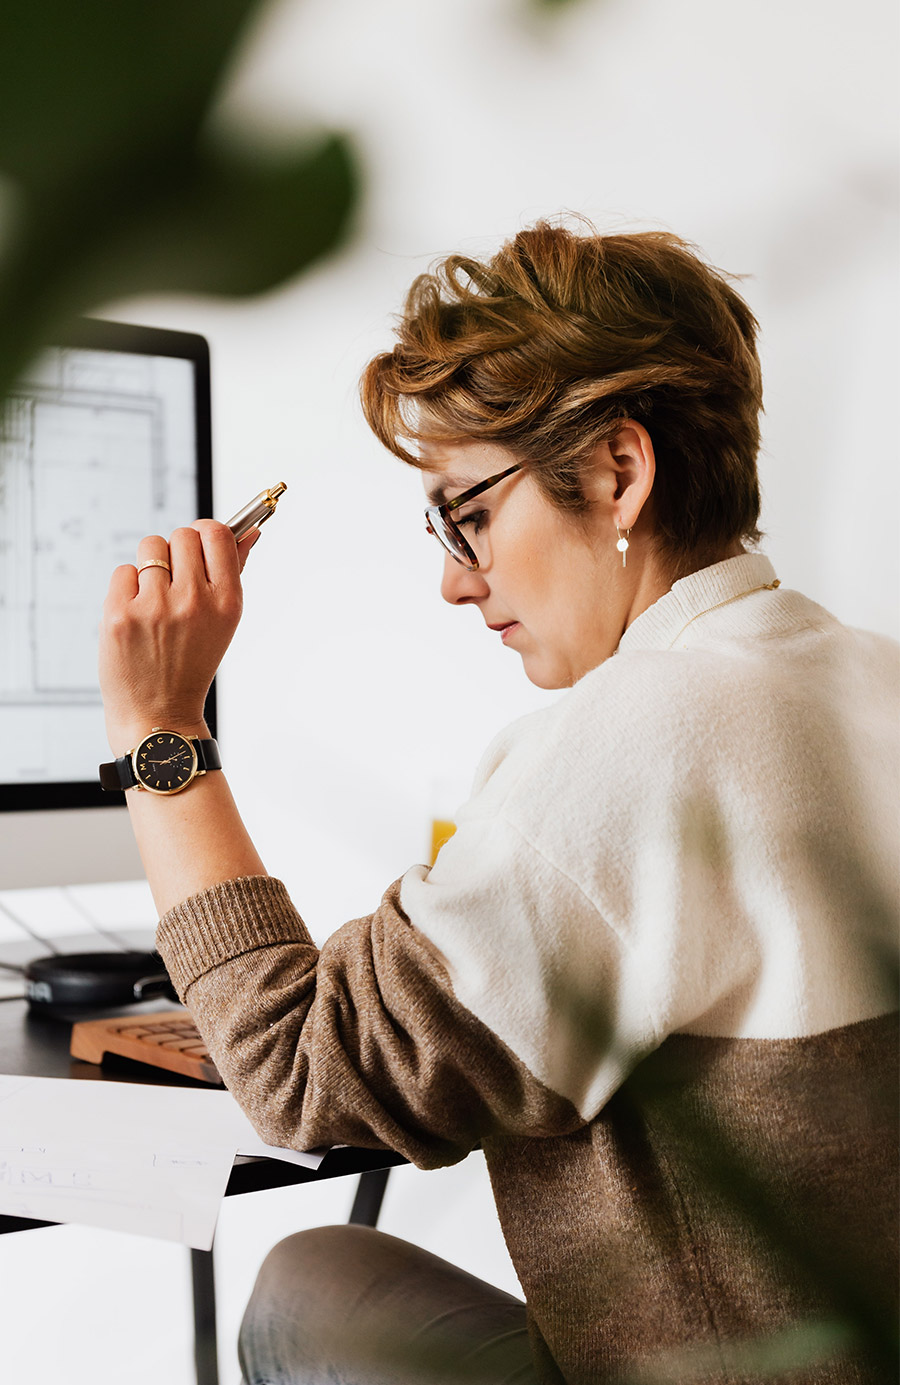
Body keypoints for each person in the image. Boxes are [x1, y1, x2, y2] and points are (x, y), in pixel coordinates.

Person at [98, 222, 898, 1385]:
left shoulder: (648, 728)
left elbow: (295, 1067)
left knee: (305, 1286)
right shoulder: (868, 673)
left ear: (620, 470)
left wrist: (161, 727)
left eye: (467, 511)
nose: (453, 577)